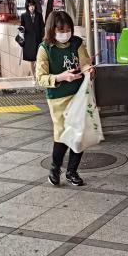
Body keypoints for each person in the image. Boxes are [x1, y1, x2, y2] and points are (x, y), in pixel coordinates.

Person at [36, 10, 92, 187]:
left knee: (78, 134)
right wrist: (61, 77)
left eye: (67, 30)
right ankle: (55, 168)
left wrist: (89, 70)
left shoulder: (76, 43)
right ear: (52, 30)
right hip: (58, 98)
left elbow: (85, 63)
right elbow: (41, 78)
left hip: (79, 95)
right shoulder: (44, 48)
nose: (64, 34)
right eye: (60, 31)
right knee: (61, 134)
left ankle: (72, 171)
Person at [21, 0, 45, 77]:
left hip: (38, 39)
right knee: (31, 59)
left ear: (35, 6)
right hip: (29, 40)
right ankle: (33, 76)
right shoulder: (24, 15)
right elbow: (22, 26)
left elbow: (42, 26)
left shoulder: (39, 14)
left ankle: (37, 73)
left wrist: (43, 36)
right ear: (27, 7)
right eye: (30, 6)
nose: (32, 7)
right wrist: (22, 30)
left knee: (39, 57)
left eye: (33, 5)